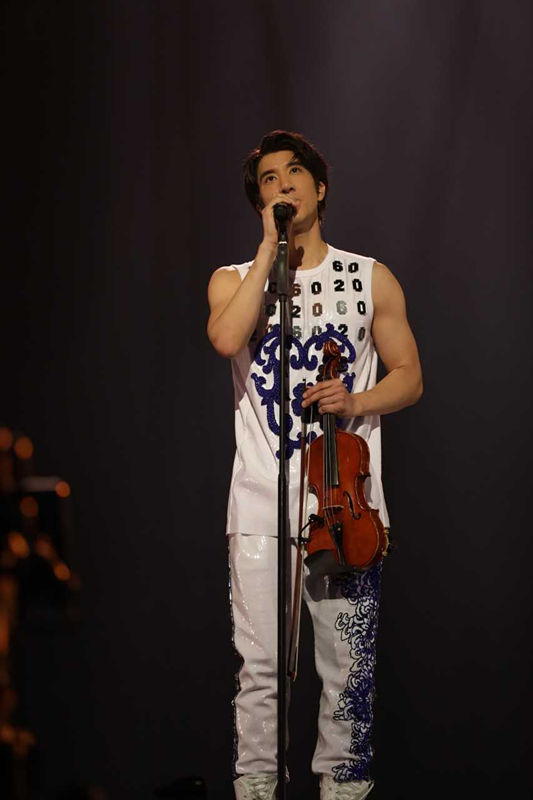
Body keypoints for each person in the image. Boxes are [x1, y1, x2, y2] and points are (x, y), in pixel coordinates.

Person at [207, 131, 422, 800]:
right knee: (261, 672)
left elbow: (409, 376)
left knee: (348, 675)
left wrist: (355, 399)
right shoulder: (233, 280)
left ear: (319, 187)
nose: (283, 185)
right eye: (268, 179)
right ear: (259, 202)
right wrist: (269, 251)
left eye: (294, 172)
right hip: (259, 503)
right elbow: (226, 338)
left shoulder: (369, 277)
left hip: (346, 510)